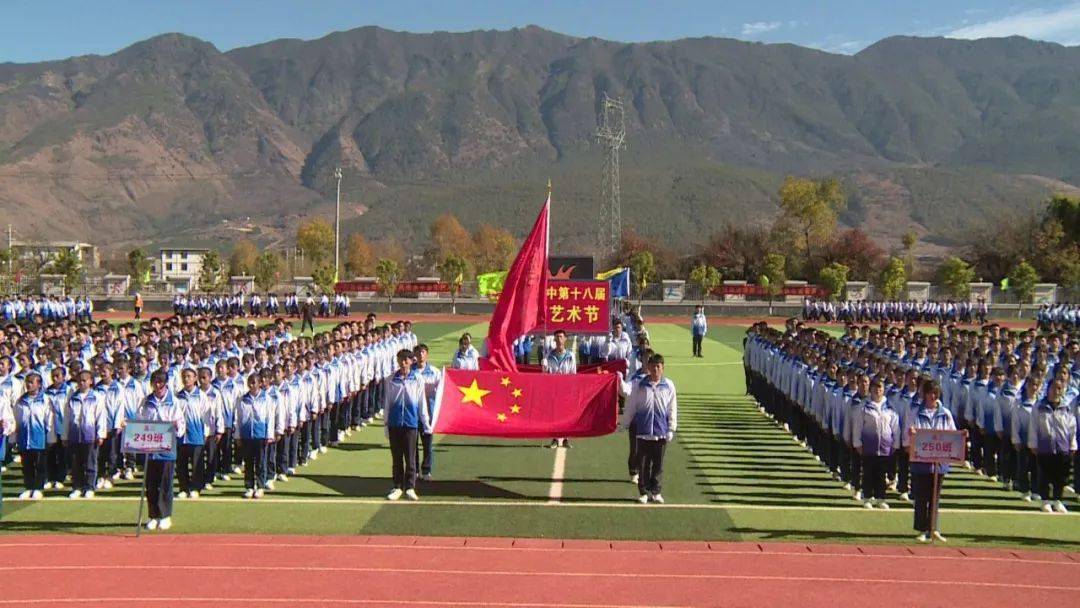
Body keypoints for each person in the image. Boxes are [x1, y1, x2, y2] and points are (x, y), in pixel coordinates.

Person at [621, 353, 677, 504]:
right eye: (653, 366)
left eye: (658, 367)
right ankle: (644, 492)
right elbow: (632, 405)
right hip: (643, 431)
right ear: (648, 367)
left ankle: (656, 491)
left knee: (658, 464)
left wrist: (671, 428)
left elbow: (672, 407)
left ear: (663, 368)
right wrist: (625, 423)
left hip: (661, 431)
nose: (655, 369)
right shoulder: (640, 384)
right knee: (643, 464)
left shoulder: (669, 385)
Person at [135, 370, 186, 531]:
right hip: (150, 450)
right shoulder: (146, 401)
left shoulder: (174, 402)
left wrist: (176, 427)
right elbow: (140, 421)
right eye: (155, 383)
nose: (157, 386)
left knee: (165, 484)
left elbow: (180, 424)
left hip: (167, 449)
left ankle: (165, 515)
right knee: (151, 484)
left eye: (160, 383)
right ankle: (153, 515)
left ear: (165, 384)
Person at [909, 380, 956, 543]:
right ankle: (922, 529)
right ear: (925, 394)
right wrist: (912, 435)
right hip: (921, 462)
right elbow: (908, 435)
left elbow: (952, 435)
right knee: (921, 497)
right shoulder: (915, 412)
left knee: (935, 497)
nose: (933, 396)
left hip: (939, 463)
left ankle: (933, 528)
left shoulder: (946, 413)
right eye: (930, 393)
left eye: (936, 393)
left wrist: (962, 436)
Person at [383, 349, 427, 501]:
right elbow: (387, 403)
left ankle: (410, 487)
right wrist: (385, 424)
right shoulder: (390, 379)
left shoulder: (417, 379)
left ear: (411, 361)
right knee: (396, 457)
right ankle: (397, 486)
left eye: (406, 360)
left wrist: (425, 422)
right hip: (394, 423)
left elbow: (421, 402)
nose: (403, 363)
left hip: (411, 422)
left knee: (410, 457)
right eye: (400, 359)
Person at [1028, 377, 1077, 513]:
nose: (1056, 391)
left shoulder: (1066, 407)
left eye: (1059, 388)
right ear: (1048, 389)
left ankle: (1057, 500)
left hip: (1062, 447)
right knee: (1044, 475)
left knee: (1061, 476)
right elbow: (1033, 426)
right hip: (1045, 447)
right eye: (1053, 388)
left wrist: (1072, 445)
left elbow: (1072, 427)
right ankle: (1045, 500)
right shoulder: (1039, 407)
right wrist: (1033, 443)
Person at [853, 376, 900, 509]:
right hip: (869, 446)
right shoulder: (864, 406)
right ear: (871, 389)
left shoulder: (889, 407)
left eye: (880, 387)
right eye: (875, 387)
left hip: (885, 448)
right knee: (868, 473)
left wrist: (895, 444)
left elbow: (895, 426)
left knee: (881, 474)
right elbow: (857, 426)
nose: (877, 390)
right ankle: (867, 497)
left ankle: (881, 498)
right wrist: (858, 443)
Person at [63, 370, 107, 499]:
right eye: (79, 380)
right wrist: (65, 436)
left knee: (90, 462)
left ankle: (89, 487)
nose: (81, 383)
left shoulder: (96, 396)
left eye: (84, 380)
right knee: (76, 463)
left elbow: (100, 416)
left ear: (90, 381)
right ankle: (77, 486)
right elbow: (67, 417)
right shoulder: (72, 397)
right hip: (75, 435)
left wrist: (100, 434)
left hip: (90, 435)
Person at [235, 373, 274, 498]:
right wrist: (238, 435)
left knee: (260, 462)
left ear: (259, 383)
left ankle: (260, 486)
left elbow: (270, 417)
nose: (252, 385)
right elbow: (238, 418)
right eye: (250, 382)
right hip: (247, 436)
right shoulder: (242, 399)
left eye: (254, 382)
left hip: (260, 435)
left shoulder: (267, 398)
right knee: (248, 462)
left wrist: (269, 435)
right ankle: (249, 486)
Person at [14, 372, 51, 499]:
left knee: (39, 464)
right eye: (27, 382)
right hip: (25, 438)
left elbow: (49, 419)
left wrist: (50, 436)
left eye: (31, 382)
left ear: (39, 384)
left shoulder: (45, 399)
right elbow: (17, 420)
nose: (28, 385)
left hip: (39, 438)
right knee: (27, 465)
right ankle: (28, 487)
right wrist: (16, 437)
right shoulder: (21, 401)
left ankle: (38, 487)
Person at [543, 329, 577, 448]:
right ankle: (555, 439)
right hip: (554, 389)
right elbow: (545, 375)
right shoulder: (549, 355)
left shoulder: (571, 356)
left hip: (566, 389)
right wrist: (544, 367)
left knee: (567, 414)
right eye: (556, 337)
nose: (559, 339)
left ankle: (566, 438)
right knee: (554, 414)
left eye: (561, 337)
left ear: (565, 339)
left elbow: (573, 373)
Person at [412, 344, 441, 481]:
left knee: (427, 443)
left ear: (427, 354)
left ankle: (426, 470)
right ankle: (415, 469)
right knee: (412, 443)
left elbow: (441, 391)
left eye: (423, 352)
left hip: (429, 411)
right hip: (412, 412)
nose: (420, 355)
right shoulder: (410, 371)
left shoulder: (434, 371)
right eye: (418, 352)